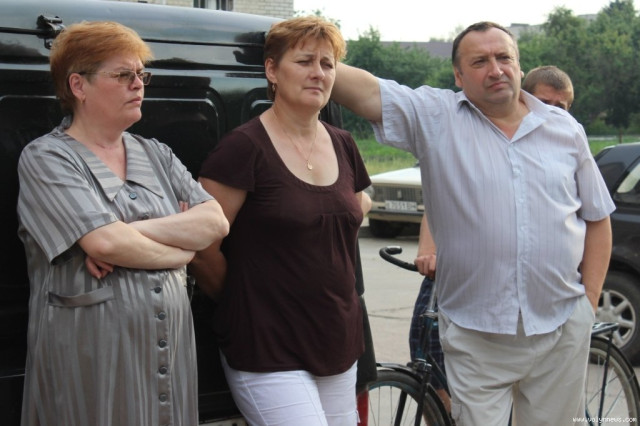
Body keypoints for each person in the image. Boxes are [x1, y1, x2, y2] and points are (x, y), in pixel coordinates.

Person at [332, 21, 614, 425]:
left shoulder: (565, 129)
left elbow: (597, 217)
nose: (495, 69)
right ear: (459, 76)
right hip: (476, 336)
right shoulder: (436, 118)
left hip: (560, 329)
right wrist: (302, 46)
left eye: (503, 58)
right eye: (479, 62)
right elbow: (367, 92)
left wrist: (588, 302)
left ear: (519, 65)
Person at [17, 21, 229, 426]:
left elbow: (215, 222)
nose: (137, 85)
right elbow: (107, 245)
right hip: (91, 370)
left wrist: (121, 233)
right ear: (78, 85)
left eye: (141, 75)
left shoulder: (157, 154)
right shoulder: (47, 158)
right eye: (122, 75)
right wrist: (181, 247)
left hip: (170, 363)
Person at [191, 16, 371, 426]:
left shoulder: (343, 144)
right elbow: (202, 249)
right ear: (272, 70)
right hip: (266, 345)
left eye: (327, 64)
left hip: (337, 339)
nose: (318, 73)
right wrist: (243, 303)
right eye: (304, 61)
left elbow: (354, 207)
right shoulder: (242, 149)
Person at [409, 63, 578, 415]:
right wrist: (428, 248)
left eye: (561, 107)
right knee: (425, 348)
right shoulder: (480, 133)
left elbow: (593, 216)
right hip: (465, 282)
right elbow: (443, 201)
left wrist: (586, 303)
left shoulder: (566, 141)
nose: (552, 111)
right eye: (546, 102)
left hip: (547, 301)